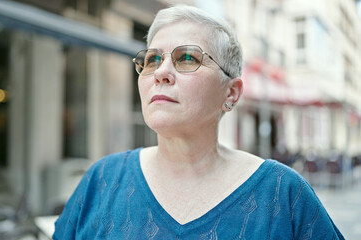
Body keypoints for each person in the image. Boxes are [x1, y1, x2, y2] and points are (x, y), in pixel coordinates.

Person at [53, 5, 344, 239]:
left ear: (231, 92)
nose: (161, 72)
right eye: (152, 60)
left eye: (188, 58)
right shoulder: (102, 180)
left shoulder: (283, 194)